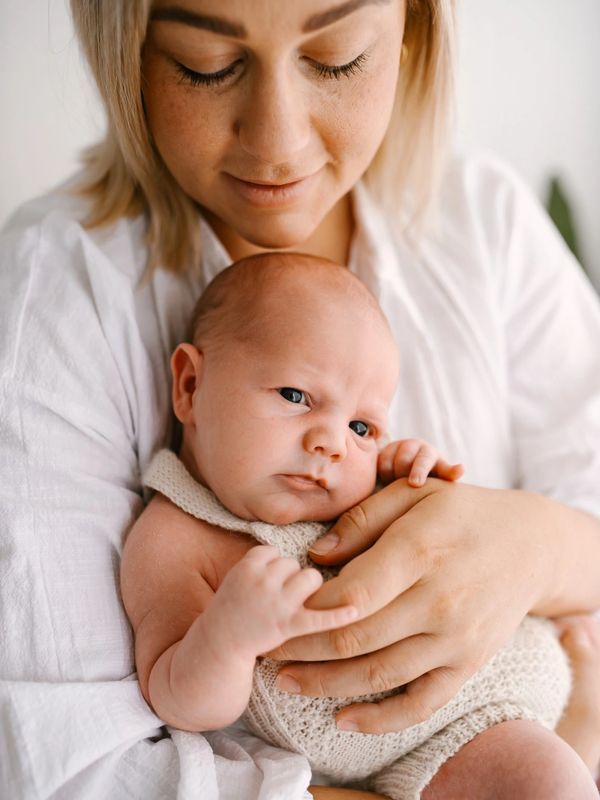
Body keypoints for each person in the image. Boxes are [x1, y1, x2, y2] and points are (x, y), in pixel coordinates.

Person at [1, 1, 600, 798]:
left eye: (339, 57)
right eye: (206, 65)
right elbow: (84, 769)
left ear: (411, 35)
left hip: (497, 710)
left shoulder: (482, 218)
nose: (278, 143)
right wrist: (229, 635)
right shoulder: (59, 292)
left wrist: (531, 539)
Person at [121, 250, 575, 800]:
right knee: (547, 782)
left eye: (362, 427)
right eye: (295, 396)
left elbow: (454, 556)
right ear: (190, 386)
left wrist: (411, 485)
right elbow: (176, 700)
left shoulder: (350, 496)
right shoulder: (173, 537)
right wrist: (228, 637)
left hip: (483, 676)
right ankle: (584, 727)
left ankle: (583, 717)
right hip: (436, 749)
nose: (332, 443)